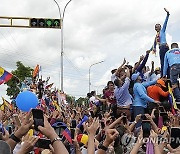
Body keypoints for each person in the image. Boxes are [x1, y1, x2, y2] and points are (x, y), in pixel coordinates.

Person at [153, 8, 170, 77]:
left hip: (164, 47)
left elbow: (165, 23)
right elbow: (154, 44)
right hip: (161, 48)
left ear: (160, 27)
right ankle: (163, 75)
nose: (157, 28)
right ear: (155, 29)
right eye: (156, 27)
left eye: (158, 26)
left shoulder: (162, 31)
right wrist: (153, 49)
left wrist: (167, 15)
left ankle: (168, 75)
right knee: (163, 62)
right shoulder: (156, 36)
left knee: (166, 62)